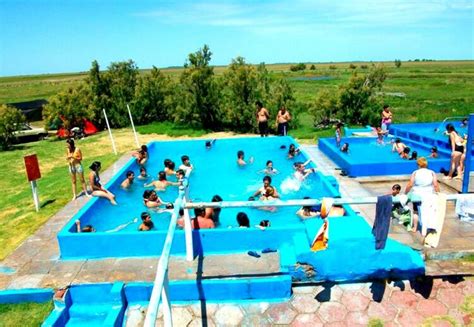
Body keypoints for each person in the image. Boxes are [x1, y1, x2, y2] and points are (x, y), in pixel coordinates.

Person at [405, 157, 440, 232]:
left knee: (415, 211)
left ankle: (415, 228)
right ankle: (429, 227)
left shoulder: (415, 172)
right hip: (428, 195)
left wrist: (405, 193)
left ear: (418, 164)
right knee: (429, 211)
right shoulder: (432, 172)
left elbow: (410, 184)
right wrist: (438, 193)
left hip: (417, 194)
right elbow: (435, 185)